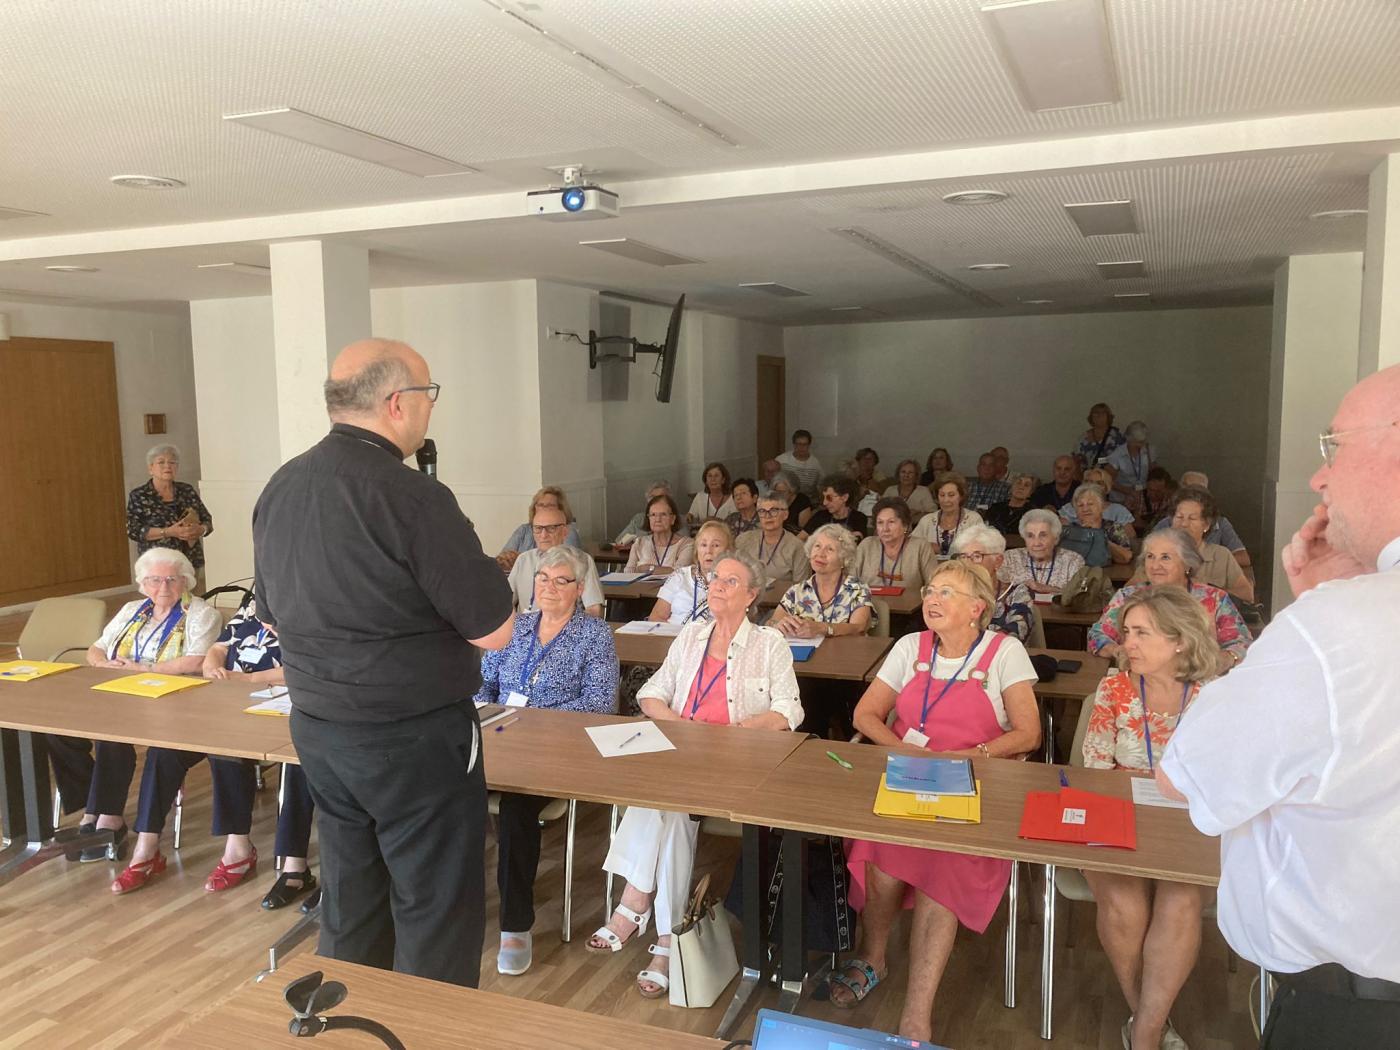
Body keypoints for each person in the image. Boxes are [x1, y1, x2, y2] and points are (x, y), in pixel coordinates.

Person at [252, 337, 516, 987]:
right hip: (414, 737)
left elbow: (269, 615)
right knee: (434, 906)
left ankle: (352, 1023)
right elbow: (497, 631)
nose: (430, 409)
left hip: (319, 727)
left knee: (351, 896)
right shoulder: (413, 498)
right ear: (397, 404)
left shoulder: (281, 486)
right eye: (428, 394)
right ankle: (426, 1033)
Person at [1157, 364, 1400, 1050]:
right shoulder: (1343, 620)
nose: (1320, 478)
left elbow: (1189, 773)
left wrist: (1317, 610)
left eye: (1336, 447)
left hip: (1361, 1016)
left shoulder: (1338, 627)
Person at [838, 560, 1041, 1040]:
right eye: (931, 589)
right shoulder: (911, 646)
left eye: (947, 591)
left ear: (977, 608)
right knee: (881, 853)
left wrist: (974, 756)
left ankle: (916, 1011)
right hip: (909, 776)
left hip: (976, 784)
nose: (933, 597)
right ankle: (874, 957)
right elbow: (866, 714)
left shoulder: (1004, 651)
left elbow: (1029, 733)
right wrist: (902, 750)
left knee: (943, 870)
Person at [590, 552, 802, 999]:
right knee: (668, 806)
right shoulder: (691, 635)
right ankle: (666, 938)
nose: (718, 585)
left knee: (666, 803)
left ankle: (636, 905)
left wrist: (735, 731)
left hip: (737, 760)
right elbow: (651, 692)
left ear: (751, 595)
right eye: (714, 578)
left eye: (730, 580)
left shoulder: (769, 644)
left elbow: (789, 710)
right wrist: (678, 724)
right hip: (683, 751)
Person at [1080, 587, 1219, 1050]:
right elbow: (1096, 768)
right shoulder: (1114, 688)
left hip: (1188, 825)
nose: (1128, 644)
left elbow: (1225, 777)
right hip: (1115, 817)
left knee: (1179, 903)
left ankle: (1143, 1030)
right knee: (1125, 903)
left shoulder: (1213, 698)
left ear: (1179, 640)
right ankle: (1148, 1018)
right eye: (1127, 633)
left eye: (1142, 633)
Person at [474, 546, 619, 976]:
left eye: (561, 580)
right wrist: (487, 712)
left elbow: (600, 704)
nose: (549, 587)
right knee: (448, 789)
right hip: (499, 739)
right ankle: (446, 903)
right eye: (543, 578)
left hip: (557, 752)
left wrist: (534, 720)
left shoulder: (595, 635)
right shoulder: (515, 627)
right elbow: (484, 683)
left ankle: (514, 926)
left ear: (579, 589)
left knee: (517, 810)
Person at [107, 591, 286, 897]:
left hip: (270, 702)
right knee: (165, 748)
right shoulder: (253, 604)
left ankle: (238, 849)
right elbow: (219, 646)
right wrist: (211, 669)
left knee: (225, 749)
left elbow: (304, 668)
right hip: (222, 695)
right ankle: (146, 849)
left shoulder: (311, 605)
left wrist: (244, 680)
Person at [58, 549, 222, 864]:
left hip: (174, 698)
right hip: (119, 689)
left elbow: (196, 660)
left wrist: (140, 671)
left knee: (111, 732)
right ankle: (92, 804)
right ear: (142, 584)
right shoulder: (132, 608)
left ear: (185, 581)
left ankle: (107, 818)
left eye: (172, 579)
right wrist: (104, 664)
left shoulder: (200, 613)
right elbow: (97, 647)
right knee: (56, 729)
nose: (163, 587)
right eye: (154, 580)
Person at [1090, 529, 1250, 666]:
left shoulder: (1214, 599)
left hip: (1199, 683)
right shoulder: (1128, 597)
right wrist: (1117, 650)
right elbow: (1097, 635)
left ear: (1187, 563)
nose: (1155, 565)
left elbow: (1242, 642)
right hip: (1141, 680)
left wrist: (1223, 660)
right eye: (1150, 557)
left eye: (1165, 557)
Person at [1145, 486, 1253, 603]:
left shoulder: (1221, 555)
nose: (1184, 524)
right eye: (1179, 517)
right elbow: (1131, 592)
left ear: (1206, 525)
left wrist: (1207, 592)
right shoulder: (1157, 553)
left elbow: (1247, 594)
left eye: (1192, 518)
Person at [125, 443, 213, 585]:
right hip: (156, 564)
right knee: (162, 602)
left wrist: (201, 530)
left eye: (172, 462)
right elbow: (134, 531)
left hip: (188, 560)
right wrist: (168, 532)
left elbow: (207, 520)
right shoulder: (139, 495)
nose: (167, 466)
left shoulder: (186, 490)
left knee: (189, 602)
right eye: (161, 462)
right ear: (150, 468)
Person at [769, 524, 874, 638]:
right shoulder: (796, 591)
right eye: (817, 546)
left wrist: (822, 628)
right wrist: (778, 625)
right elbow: (771, 623)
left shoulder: (857, 589)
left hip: (846, 653)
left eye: (830, 549)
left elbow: (858, 628)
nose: (820, 554)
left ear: (844, 559)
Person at [507, 502, 605, 616]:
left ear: (564, 532)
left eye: (551, 528)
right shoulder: (523, 560)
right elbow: (504, 603)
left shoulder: (582, 560)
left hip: (568, 629)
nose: (543, 535)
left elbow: (594, 609)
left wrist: (576, 631)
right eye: (538, 528)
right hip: (526, 630)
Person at [949, 526, 1034, 643]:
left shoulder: (1018, 592)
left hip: (1003, 657)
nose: (968, 563)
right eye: (963, 557)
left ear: (998, 561)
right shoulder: (954, 592)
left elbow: (1017, 630)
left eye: (977, 556)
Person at [1151, 472, 1250, 567]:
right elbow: (1147, 554)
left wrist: (1207, 562)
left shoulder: (1221, 524)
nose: (1184, 523)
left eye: (1199, 492)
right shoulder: (1168, 522)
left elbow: (1243, 557)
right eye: (1189, 491)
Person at [649, 521, 734, 624]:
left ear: (728, 550)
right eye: (703, 545)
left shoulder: (735, 582)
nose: (708, 551)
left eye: (716, 545)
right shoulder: (680, 576)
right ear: (697, 550)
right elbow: (656, 617)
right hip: (676, 637)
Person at [853, 498, 937, 594]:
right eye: (880, 522)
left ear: (905, 525)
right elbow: (850, 582)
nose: (885, 529)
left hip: (910, 607)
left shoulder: (920, 547)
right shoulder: (866, 545)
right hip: (869, 607)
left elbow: (933, 585)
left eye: (891, 522)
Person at [999, 509, 1087, 594]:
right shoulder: (1009, 559)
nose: (1037, 543)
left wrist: (1049, 589)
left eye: (1043, 535)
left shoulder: (1073, 561)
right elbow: (996, 593)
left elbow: (1081, 596)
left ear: (1056, 538)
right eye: (1030, 536)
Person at [498, 487, 582, 570]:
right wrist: (512, 559)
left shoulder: (567, 531)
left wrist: (519, 560)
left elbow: (568, 561)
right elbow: (503, 559)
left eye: (550, 505)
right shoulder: (524, 529)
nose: (544, 508)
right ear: (534, 508)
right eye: (540, 505)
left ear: (561, 509)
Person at [737, 493, 811, 583]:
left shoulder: (798, 547)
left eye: (774, 510)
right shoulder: (743, 540)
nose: (768, 516)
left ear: (785, 514)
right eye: (762, 511)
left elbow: (802, 588)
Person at [912, 472, 984, 557]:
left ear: (961, 496)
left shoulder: (973, 519)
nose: (946, 500)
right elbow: (911, 546)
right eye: (942, 495)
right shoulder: (927, 520)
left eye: (951, 495)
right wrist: (925, 547)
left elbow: (982, 549)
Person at [1061, 484, 1135, 566]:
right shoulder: (1071, 530)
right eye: (1080, 505)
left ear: (1102, 507)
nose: (1085, 509)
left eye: (1090, 504)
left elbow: (1126, 557)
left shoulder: (1112, 527)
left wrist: (1099, 538)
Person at [623, 494, 695, 572]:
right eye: (653, 515)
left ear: (673, 519)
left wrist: (648, 568)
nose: (658, 519)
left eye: (663, 514)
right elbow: (628, 572)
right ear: (648, 518)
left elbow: (680, 573)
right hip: (640, 584)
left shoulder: (687, 544)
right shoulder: (639, 543)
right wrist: (666, 570)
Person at [1107, 421, 1156, 513]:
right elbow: (1108, 480)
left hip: (1142, 499)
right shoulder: (1117, 454)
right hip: (1120, 499)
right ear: (1128, 439)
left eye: (1142, 442)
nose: (1140, 446)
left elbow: (1154, 473)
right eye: (1137, 442)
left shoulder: (1149, 450)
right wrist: (1128, 491)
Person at [1061, 467, 1136, 527]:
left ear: (1107, 488)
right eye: (1089, 482)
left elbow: (1131, 539)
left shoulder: (1118, 511)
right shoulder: (1070, 508)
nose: (1093, 486)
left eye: (1099, 483)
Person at [800, 473, 868, 538]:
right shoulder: (820, 516)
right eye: (823, 497)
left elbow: (858, 541)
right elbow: (799, 538)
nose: (824, 503)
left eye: (829, 498)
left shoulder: (859, 518)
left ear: (844, 497)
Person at [612, 481, 676, 548]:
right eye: (652, 498)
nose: (656, 502)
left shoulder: (677, 519)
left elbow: (680, 544)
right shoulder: (639, 519)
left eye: (660, 497)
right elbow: (619, 541)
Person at [1075, 402, 1126, 473]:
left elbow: (1124, 458)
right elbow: (1077, 460)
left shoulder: (1118, 435)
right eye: (1096, 413)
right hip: (1088, 478)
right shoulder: (1083, 438)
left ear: (1108, 416)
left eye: (1103, 413)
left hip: (1112, 477)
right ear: (1091, 417)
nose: (1099, 415)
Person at [776, 428, 824, 499]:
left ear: (809, 445)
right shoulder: (782, 460)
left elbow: (821, 485)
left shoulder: (815, 463)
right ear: (794, 444)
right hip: (785, 498)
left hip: (807, 500)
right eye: (799, 444)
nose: (801, 447)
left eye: (805, 444)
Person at [1137, 466, 1176, 531]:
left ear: (1166, 489)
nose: (1152, 494)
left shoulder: (1172, 500)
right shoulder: (1136, 498)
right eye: (1150, 490)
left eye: (1158, 491)